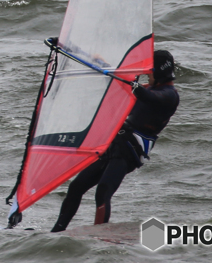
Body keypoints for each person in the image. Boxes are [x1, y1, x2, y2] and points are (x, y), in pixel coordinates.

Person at [50, 49, 179, 232]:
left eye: (150, 70)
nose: (146, 73)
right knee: (76, 187)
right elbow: (120, 79)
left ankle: (101, 237)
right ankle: (57, 231)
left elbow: (149, 97)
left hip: (130, 150)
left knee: (103, 191)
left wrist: (134, 85)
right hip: (114, 144)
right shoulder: (148, 87)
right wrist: (75, 52)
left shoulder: (169, 95)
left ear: (159, 72)